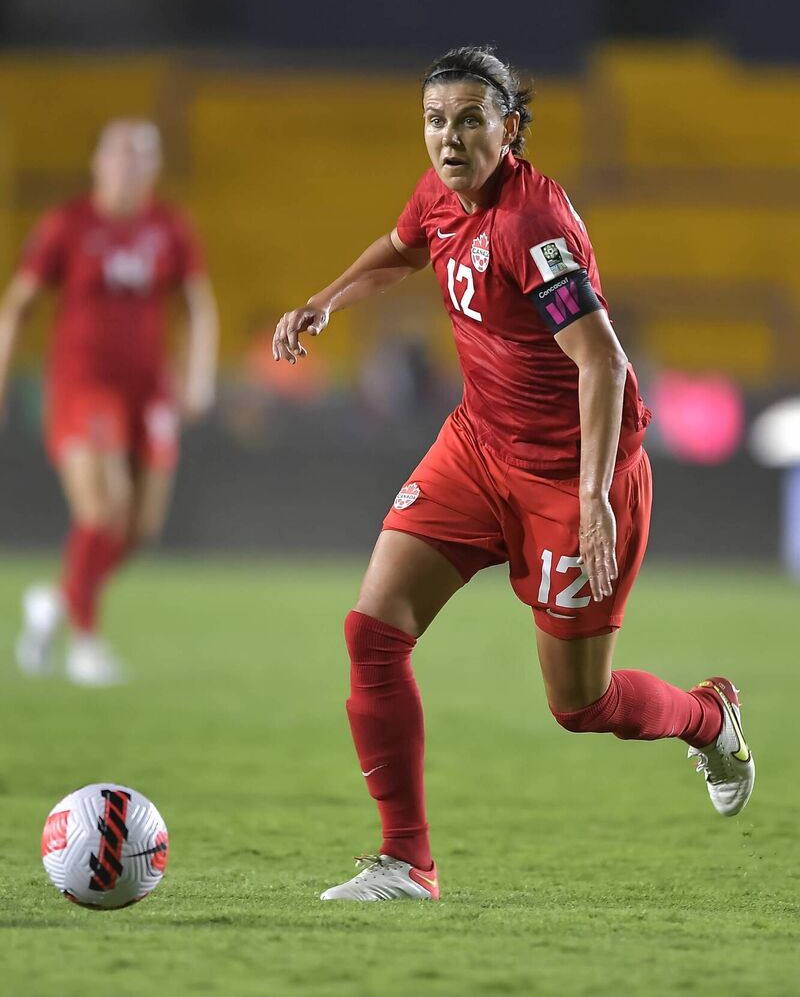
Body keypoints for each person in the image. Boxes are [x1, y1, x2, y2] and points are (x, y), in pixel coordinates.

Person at [273, 46, 755, 902]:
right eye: (434, 120)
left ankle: (708, 718)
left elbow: (602, 367)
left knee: (580, 704)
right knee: (373, 632)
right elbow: (399, 248)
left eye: (468, 119)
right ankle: (406, 864)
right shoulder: (440, 194)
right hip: (476, 448)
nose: (448, 138)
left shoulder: (534, 225)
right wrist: (327, 300)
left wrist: (595, 499)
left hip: (574, 475)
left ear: (511, 128)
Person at [0, 119, 218, 686]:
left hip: (149, 391)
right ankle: (85, 644)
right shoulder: (66, 225)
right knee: (104, 510)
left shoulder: (170, 227)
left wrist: (198, 375)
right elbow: (18, 305)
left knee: (140, 529)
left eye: (141, 155)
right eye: (119, 154)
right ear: (97, 162)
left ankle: (54, 599)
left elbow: (197, 303)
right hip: (83, 386)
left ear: (154, 167)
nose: (128, 165)